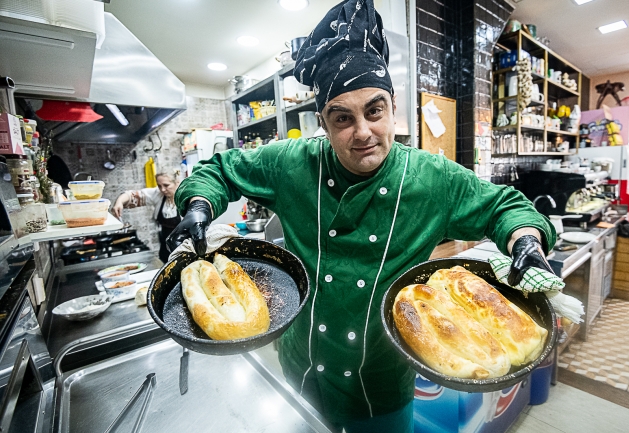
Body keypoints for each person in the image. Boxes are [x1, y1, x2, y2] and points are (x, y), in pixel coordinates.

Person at [167, 1, 556, 431]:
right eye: (342, 119)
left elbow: (506, 206)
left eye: (374, 110)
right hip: (301, 365)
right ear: (323, 124)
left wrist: (525, 240)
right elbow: (219, 170)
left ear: (392, 109)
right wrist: (200, 205)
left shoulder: (432, 178)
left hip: (382, 379)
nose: (363, 132)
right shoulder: (291, 164)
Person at [112, 172, 181, 263]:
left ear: (177, 182)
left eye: (166, 185)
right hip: (166, 249)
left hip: (185, 249)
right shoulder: (159, 195)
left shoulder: (187, 197)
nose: (162, 189)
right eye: (159, 186)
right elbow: (132, 195)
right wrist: (119, 202)